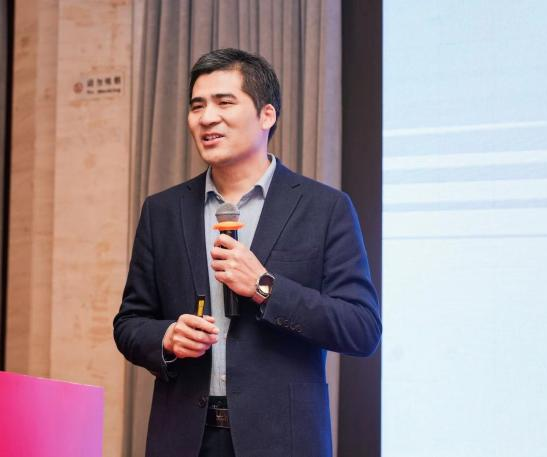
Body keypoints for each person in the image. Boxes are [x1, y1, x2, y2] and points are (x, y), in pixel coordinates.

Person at [113, 48, 381, 457]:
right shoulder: (163, 210)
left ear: (266, 115)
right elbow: (130, 323)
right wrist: (166, 337)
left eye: (224, 103)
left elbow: (361, 329)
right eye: (197, 106)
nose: (207, 118)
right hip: (185, 439)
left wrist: (265, 287)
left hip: (282, 441)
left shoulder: (324, 208)